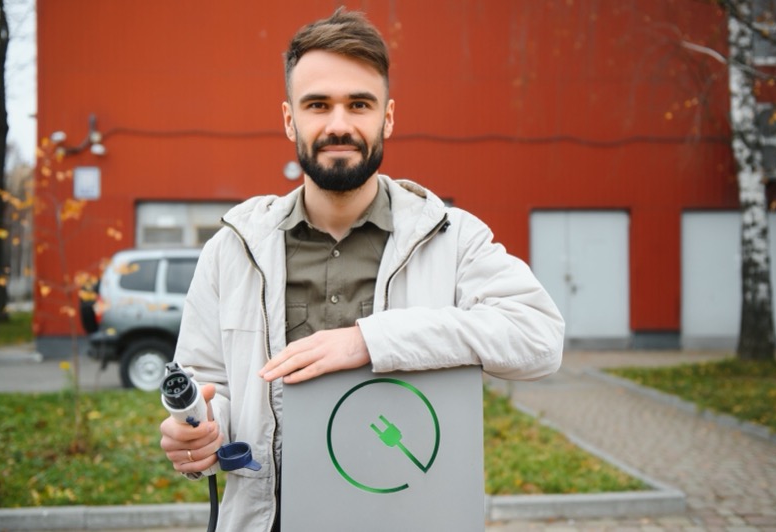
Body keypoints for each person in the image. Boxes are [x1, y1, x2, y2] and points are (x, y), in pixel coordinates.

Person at [160, 7, 564, 531]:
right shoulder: (231, 249)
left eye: (359, 104)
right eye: (317, 105)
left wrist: (372, 341)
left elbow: (540, 339)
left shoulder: (452, 235)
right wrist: (195, 432)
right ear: (289, 120)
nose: (339, 125)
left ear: (387, 117)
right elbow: (207, 385)